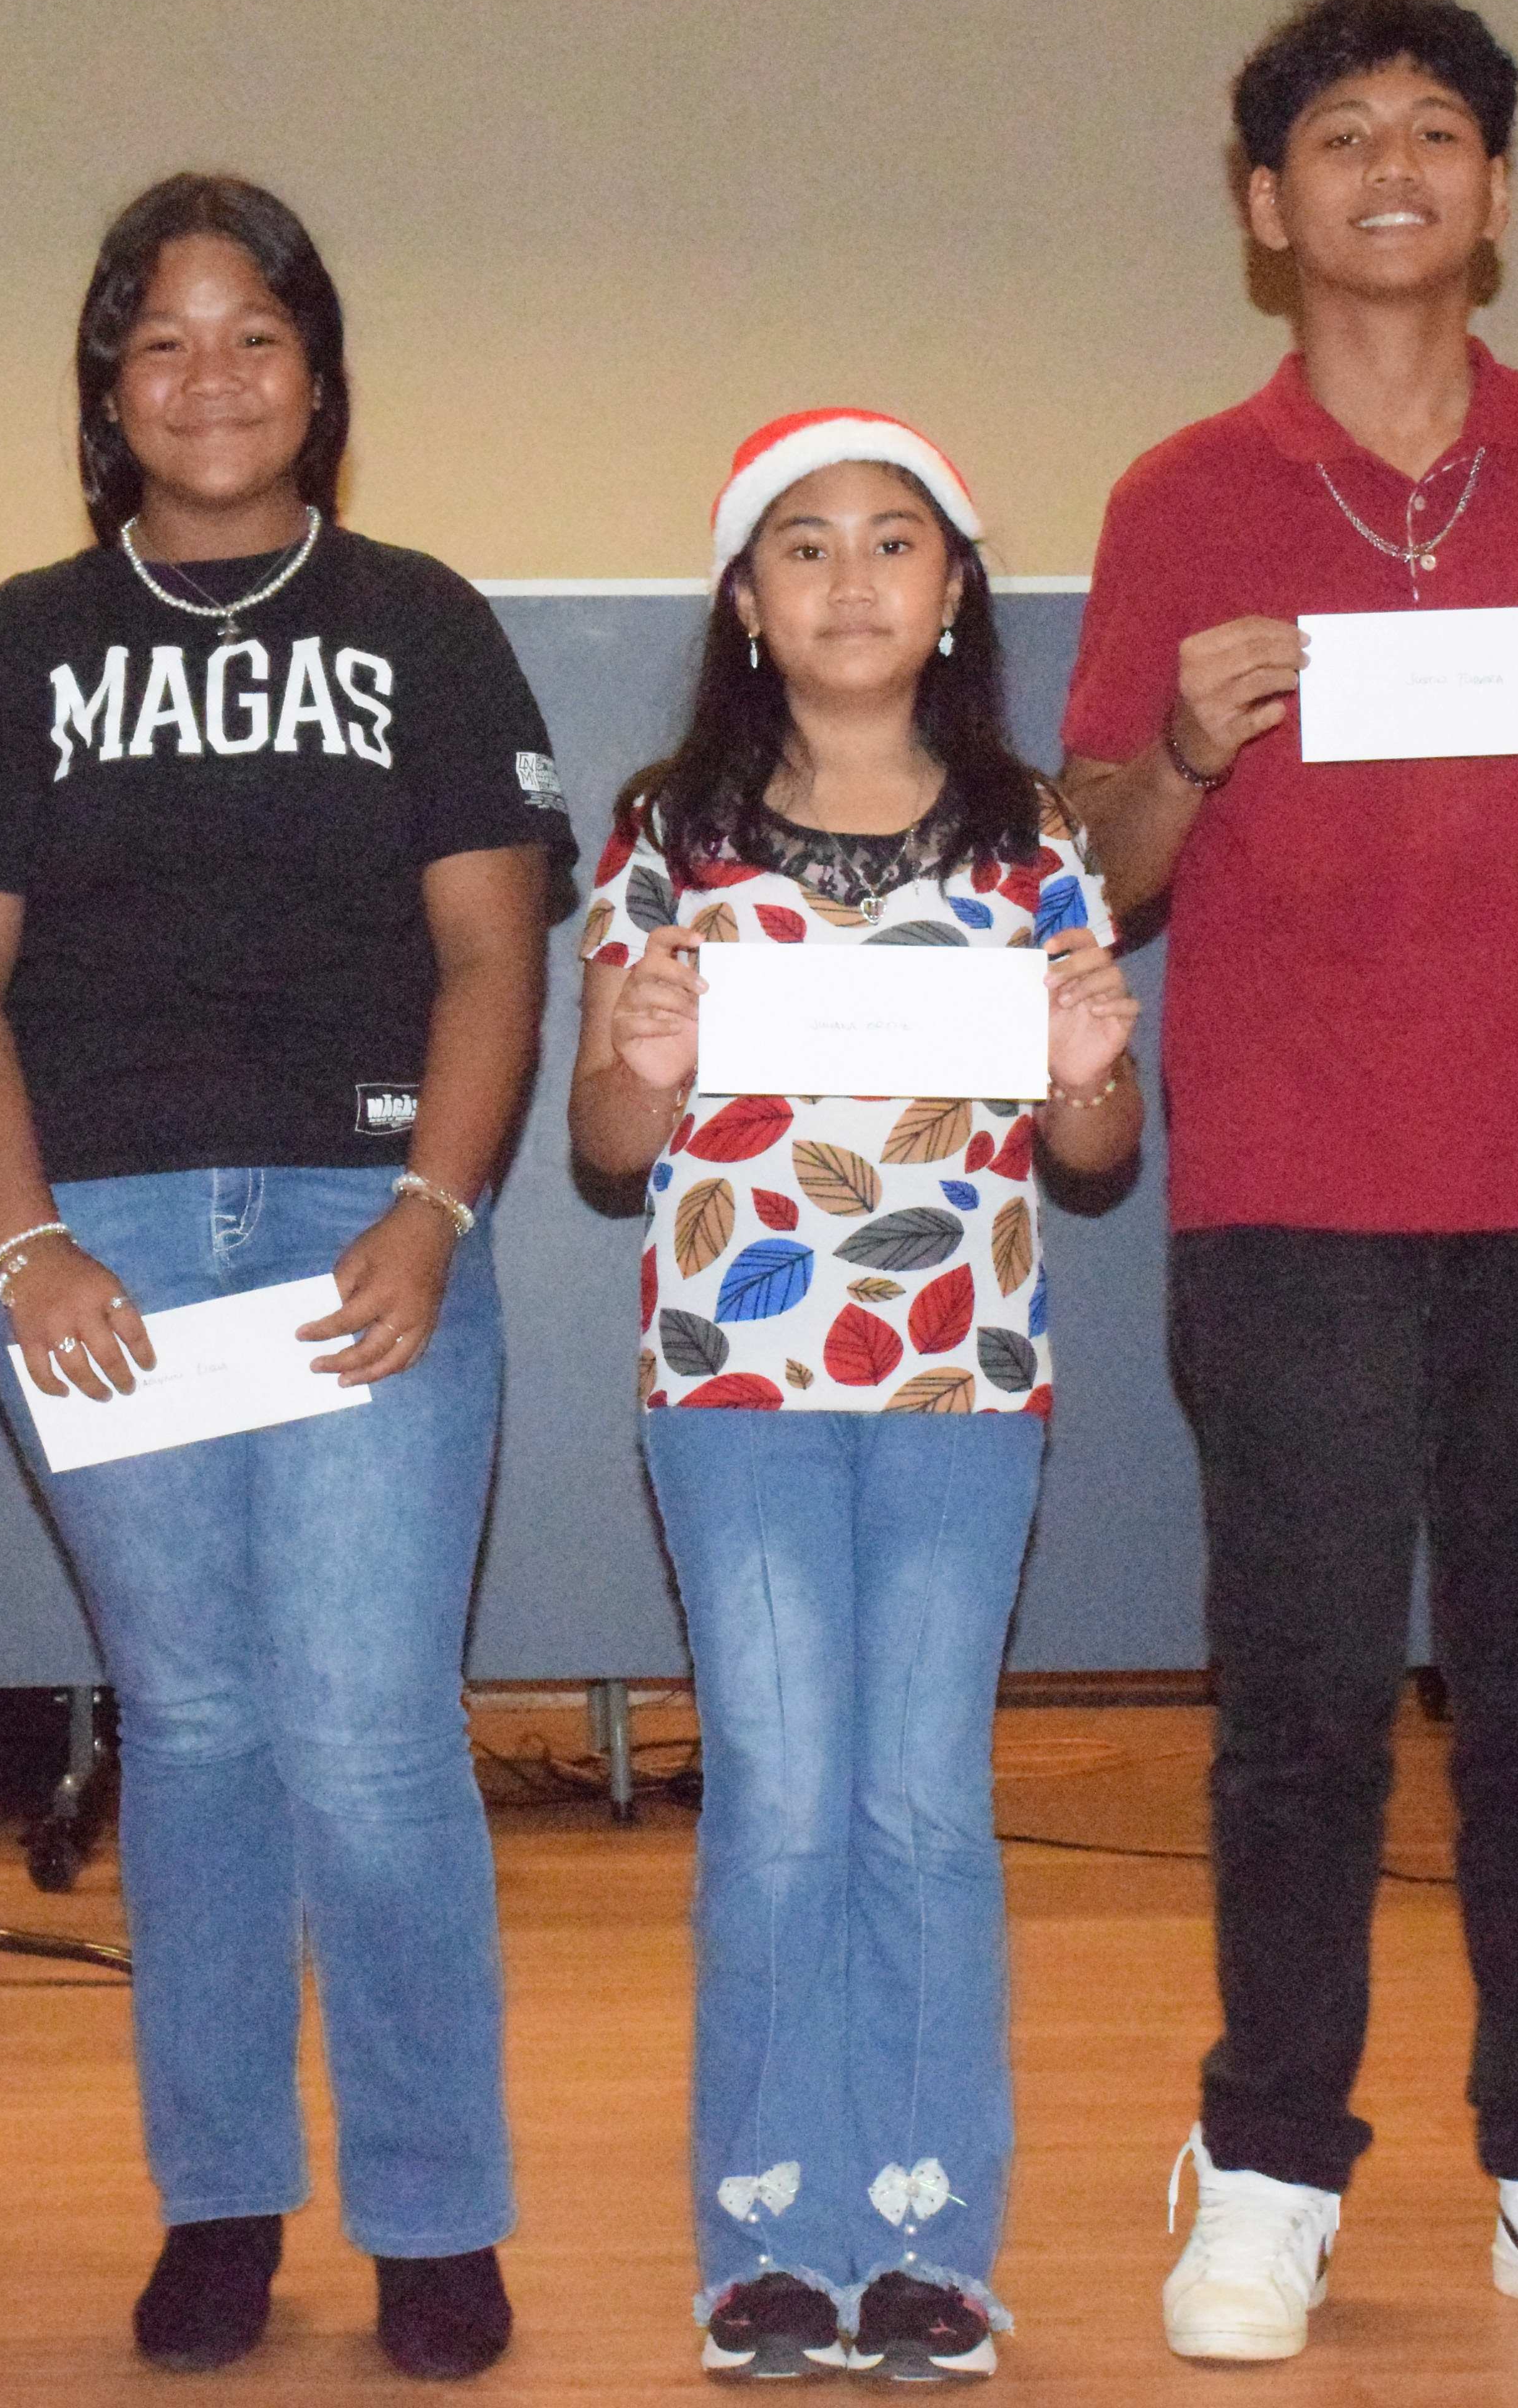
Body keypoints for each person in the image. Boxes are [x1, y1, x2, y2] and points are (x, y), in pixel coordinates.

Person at [1060, 0, 1518, 2362]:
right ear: (1269, 207)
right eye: (1345, 135)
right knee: (1302, 1710)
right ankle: (1270, 2161)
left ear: (1496, 190)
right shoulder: (1183, 495)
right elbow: (1104, 869)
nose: (1394, 166)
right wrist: (1183, 741)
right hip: (1289, 1202)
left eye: (1439, 130)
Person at [0, 172, 576, 2383]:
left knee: (370, 1731)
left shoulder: (421, 625)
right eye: (163, 341)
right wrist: (24, 1246)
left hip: (371, 1228)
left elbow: (493, 958)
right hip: (103, 1254)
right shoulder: (23, 649)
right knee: (190, 1730)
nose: (211, 379)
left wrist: (436, 1211)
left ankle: (435, 2219)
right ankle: (220, 2205)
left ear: (317, 371)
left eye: (254, 335)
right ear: (109, 384)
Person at [569, 414, 1145, 2384]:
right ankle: (764, 2244)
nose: (849, 581)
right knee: (783, 1804)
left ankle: (926, 2245)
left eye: (893, 543)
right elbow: (605, 1141)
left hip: (964, 1382)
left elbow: (1095, 1148)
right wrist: (643, 1057)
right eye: (802, 547)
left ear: (954, 591)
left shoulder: (1032, 836)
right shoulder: (668, 835)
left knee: (920, 1807)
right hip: (730, 1381)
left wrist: (1089, 1063)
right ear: (745, 601)